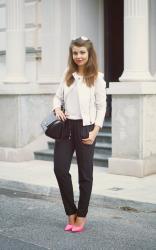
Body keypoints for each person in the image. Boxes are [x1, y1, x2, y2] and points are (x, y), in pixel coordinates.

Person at [52, 36, 106, 233]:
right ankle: (70, 212)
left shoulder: (97, 78)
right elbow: (57, 97)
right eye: (75, 52)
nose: (78, 56)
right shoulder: (68, 74)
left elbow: (102, 107)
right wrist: (57, 108)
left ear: (89, 54)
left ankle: (81, 215)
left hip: (86, 128)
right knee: (59, 169)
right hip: (66, 127)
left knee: (85, 174)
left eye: (82, 52)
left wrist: (95, 132)